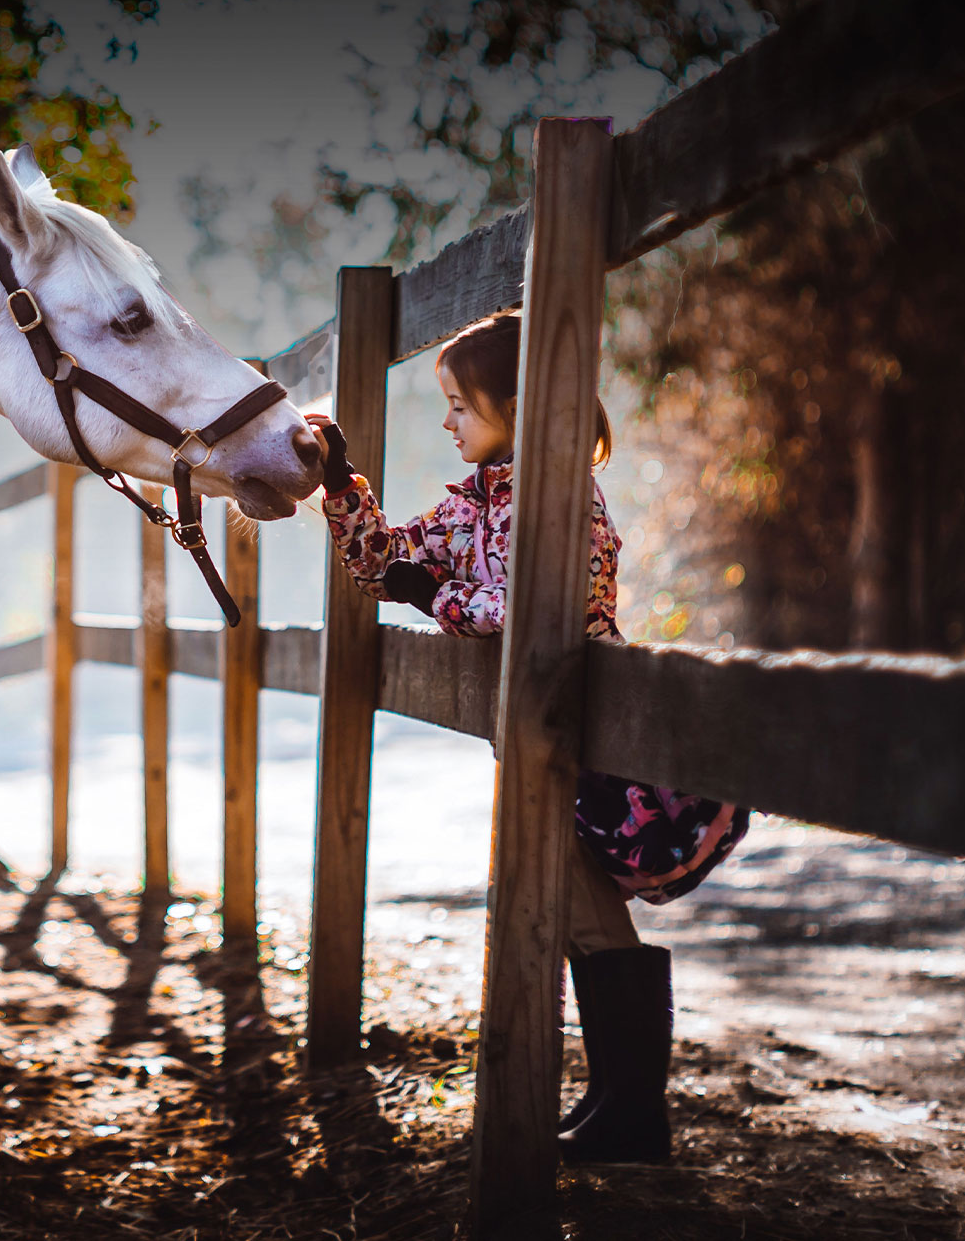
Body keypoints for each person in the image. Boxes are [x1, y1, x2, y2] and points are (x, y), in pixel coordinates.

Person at [304, 310, 747, 1165]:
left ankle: (632, 1112)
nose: (446, 422)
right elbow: (383, 558)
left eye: (459, 406)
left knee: (583, 902)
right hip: (539, 737)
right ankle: (619, 1102)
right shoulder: (475, 502)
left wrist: (433, 597)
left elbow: (523, 610)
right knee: (575, 905)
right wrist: (340, 482)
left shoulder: (562, 502)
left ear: (514, 404)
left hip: (591, 739)